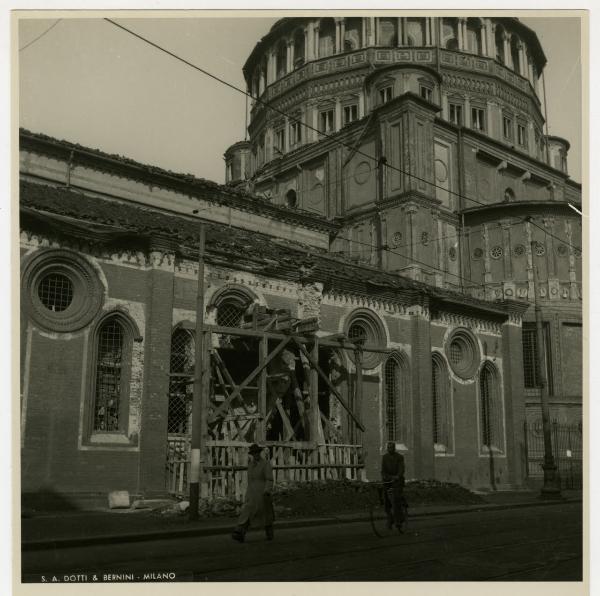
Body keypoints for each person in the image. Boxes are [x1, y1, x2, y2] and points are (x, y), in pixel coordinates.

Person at [232, 444, 275, 542]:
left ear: (259, 453)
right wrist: (247, 493)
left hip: (262, 492)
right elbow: (250, 480)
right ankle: (240, 532)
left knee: (266, 514)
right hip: (252, 492)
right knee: (247, 511)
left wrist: (267, 490)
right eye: (253, 453)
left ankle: (269, 533)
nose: (255, 455)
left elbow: (269, 479)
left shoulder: (265, 464)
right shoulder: (250, 465)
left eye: (257, 453)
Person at [380, 441, 406, 532]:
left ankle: (398, 521)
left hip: (397, 482)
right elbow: (383, 470)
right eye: (388, 447)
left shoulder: (399, 457)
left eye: (391, 447)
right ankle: (390, 518)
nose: (389, 449)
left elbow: (401, 469)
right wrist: (384, 476)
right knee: (386, 501)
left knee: (395, 500)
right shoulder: (384, 457)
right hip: (387, 481)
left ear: (394, 448)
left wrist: (397, 476)